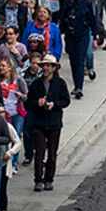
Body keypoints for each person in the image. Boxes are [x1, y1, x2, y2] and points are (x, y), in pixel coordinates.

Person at [25, 54, 71, 192]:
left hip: (54, 123)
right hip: (38, 123)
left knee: (52, 153)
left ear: (53, 68)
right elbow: (28, 103)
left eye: (48, 65)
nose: (45, 68)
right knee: (39, 152)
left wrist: (54, 104)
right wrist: (37, 103)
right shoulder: (36, 84)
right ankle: (38, 179)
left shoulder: (60, 83)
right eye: (44, 65)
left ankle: (49, 179)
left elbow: (66, 101)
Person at [59, 0, 97, 98]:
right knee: (73, 61)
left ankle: (79, 87)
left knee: (80, 61)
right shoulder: (67, 2)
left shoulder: (86, 2)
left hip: (82, 35)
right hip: (70, 36)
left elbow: (92, 19)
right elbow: (63, 17)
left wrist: (94, 36)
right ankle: (76, 84)